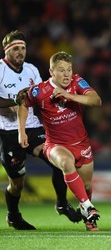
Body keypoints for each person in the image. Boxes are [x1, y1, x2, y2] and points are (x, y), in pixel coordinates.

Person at [0, 30, 81, 230]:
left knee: (58, 161)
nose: (21, 52)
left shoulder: (31, 70)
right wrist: (14, 101)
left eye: (23, 48)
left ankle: (62, 203)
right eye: (16, 49)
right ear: (7, 51)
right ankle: (13, 215)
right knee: (17, 184)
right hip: (8, 131)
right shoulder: (0, 70)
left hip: (34, 127)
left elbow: (39, 97)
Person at [17, 51, 102, 231]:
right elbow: (23, 104)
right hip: (55, 145)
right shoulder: (40, 91)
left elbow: (96, 100)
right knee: (65, 162)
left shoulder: (77, 82)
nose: (66, 74)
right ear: (51, 71)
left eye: (69, 70)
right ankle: (89, 207)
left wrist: (69, 96)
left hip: (82, 144)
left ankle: (87, 214)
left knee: (86, 187)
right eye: (61, 70)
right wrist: (21, 131)